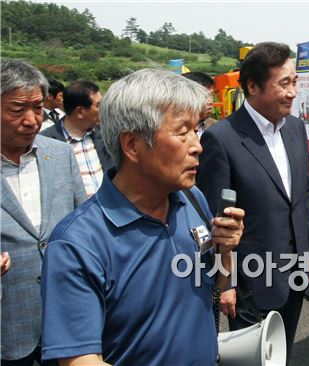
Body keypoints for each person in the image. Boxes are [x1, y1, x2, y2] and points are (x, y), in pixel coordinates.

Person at [40, 68, 245, 366]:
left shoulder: (192, 199)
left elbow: (218, 281)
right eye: (182, 131)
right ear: (132, 145)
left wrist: (225, 251)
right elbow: (79, 360)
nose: (197, 145)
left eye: (197, 128)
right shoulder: (77, 244)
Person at [197, 42, 309, 358]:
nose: (293, 92)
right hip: (251, 282)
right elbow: (216, 220)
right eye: (284, 84)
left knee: (283, 353)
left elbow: (305, 196)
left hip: (294, 271)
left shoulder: (295, 127)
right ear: (253, 86)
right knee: (253, 359)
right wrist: (226, 284)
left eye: (294, 82)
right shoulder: (222, 139)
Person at [1, 58, 87, 365]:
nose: (31, 119)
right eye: (17, 109)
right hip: (8, 326)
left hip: (65, 320)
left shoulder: (60, 154)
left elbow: (82, 224)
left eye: (37, 107)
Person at [41, 81, 113, 197]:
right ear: (80, 112)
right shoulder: (46, 143)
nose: (103, 109)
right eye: (98, 106)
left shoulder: (105, 134)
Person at [182, 71, 217, 138]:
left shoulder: (217, 127)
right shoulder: (171, 128)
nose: (210, 101)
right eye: (204, 95)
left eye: (211, 94)